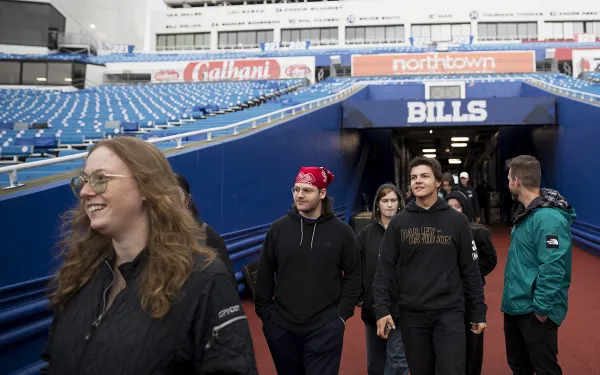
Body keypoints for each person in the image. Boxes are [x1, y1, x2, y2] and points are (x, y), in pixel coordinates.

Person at [40, 136, 258, 375]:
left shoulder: (203, 281)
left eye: (100, 179)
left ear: (146, 187)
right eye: (81, 181)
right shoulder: (80, 274)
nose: (85, 191)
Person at [373, 156, 487, 375]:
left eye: (424, 176)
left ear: (437, 182)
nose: (418, 181)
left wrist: (478, 311)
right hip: (412, 315)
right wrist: (382, 309)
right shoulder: (399, 222)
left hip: (450, 313)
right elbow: (384, 270)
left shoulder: (457, 221)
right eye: (414, 177)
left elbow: (471, 271)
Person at [254, 166, 362, 375]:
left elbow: (354, 275)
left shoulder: (342, 232)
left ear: (322, 193)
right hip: (281, 329)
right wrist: (267, 316)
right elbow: (265, 274)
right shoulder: (278, 229)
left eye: (307, 190)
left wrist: (341, 316)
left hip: (325, 328)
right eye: (296, 189)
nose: (300, 195)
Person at [501, 155, 576, 375]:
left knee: (545, 370)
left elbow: (553, 265)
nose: (508, 184)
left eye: (508, 179)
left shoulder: (548, 218)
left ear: (516, 181)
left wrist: (542, 309)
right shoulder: (526, 215)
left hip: (535, 310)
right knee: (520, 367)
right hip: (516, 306)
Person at [357, 183, 409, 375]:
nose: (389, 205)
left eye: (393, 200)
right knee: (375, 365)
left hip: (401, 306)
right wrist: (361, 296)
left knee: (398, 362)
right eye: (384, 200)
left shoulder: (408, 232)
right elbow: (357, 267)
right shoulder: (365, 234)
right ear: (377, 204)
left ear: (399, 203)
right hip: (373, 307)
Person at [446, 191, 498, 375]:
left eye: (457, 206)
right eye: (449, 206)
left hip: (470, 295)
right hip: (447, 297)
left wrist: (472, 273)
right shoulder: (440, 232)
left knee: (472, 343)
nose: (453, 210)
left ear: (465, 208)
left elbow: (490, 259)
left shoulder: (478, 231)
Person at [174, 172, 236, 284]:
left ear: (187, 200)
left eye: (175, 196)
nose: (170, 203)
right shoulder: (155, 237)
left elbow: (228, 283)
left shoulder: (206, 234)